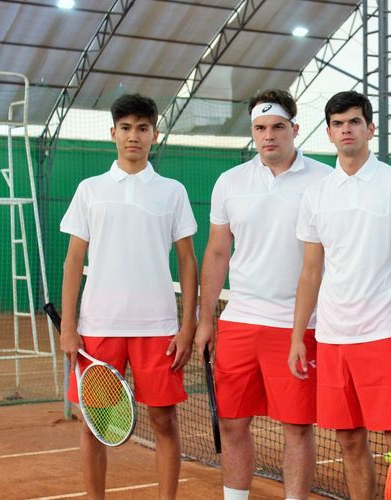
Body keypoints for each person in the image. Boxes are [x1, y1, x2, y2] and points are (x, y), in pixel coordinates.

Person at [288, 90, 391, 499]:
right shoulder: (316, 194)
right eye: (337, 124)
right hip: (332, 339)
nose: (346, 130)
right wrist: (298, 336)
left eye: (354, 121)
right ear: (329, 134)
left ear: (370, 129)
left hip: (383, 335)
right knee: (349, 440)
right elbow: (311, 271)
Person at [194, 89, 332, 500]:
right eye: (259, 128)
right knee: (232, 423)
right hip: (240, 322)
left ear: (295, 128)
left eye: (277, 127)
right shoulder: (230, 182)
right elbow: (217, 253)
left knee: (297, 428)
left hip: (299, 326)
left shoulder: (326, 180)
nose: (268, 136)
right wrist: (205, 320)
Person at [59, 93, 198, 499]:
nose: (133, 136)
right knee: (95, 426)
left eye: (141, 128)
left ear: (155, 134)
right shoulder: (90, 189)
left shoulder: (172, 191)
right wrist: (68, 326)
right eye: (125, 128)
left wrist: (187, 326)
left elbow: (188, 261)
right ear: (113, 133)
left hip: (158, 328)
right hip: (99, 327)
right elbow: (73, 261)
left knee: (164, 421)